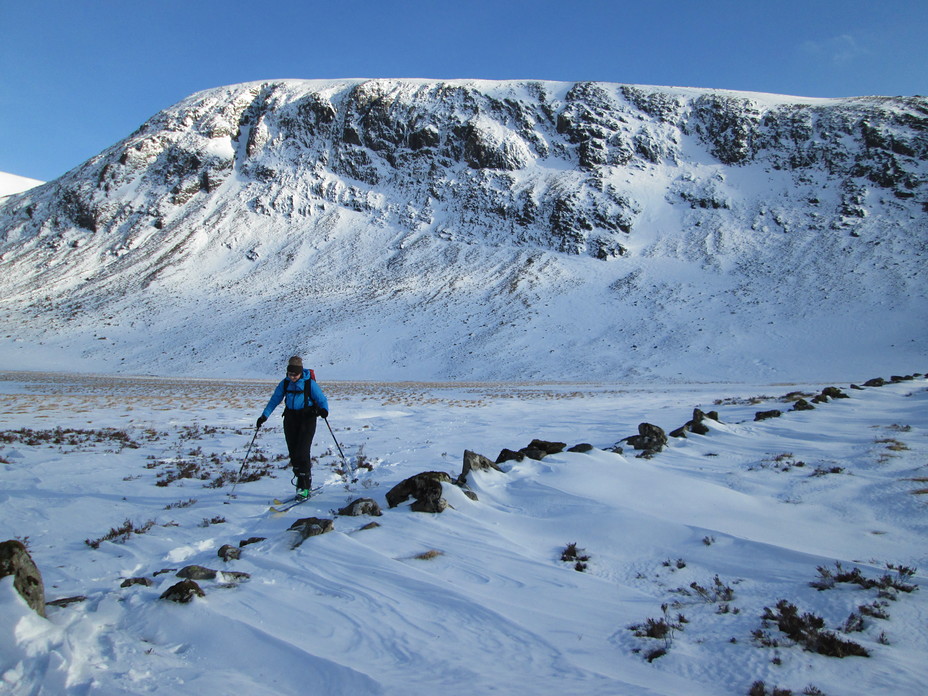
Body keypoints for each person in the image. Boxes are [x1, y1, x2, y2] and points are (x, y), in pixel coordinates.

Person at [256, 356, 329, 499]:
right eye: (290, 374)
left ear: (300, 372)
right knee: (293, 453)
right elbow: (274, 400)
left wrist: (324, 410)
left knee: (302, 451)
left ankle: (304, 486)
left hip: (307, 419)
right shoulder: (285, 384)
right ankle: (300, 478)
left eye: (295, 374)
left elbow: (321, 399)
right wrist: (264, 416)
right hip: (290, 419)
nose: (293, 377)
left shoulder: (309, 384)